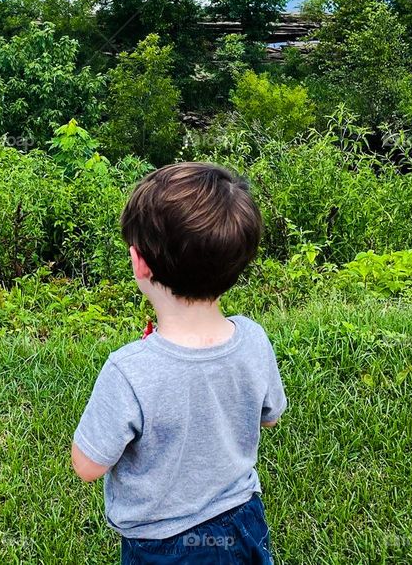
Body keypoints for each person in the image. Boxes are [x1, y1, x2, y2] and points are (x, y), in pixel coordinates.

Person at [72, 162, 286, 564]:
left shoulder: (129, 370)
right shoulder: (253, 338)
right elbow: (270, 417)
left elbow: (87, 466)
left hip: (161, 543)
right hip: (243, 521)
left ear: (139, 263)